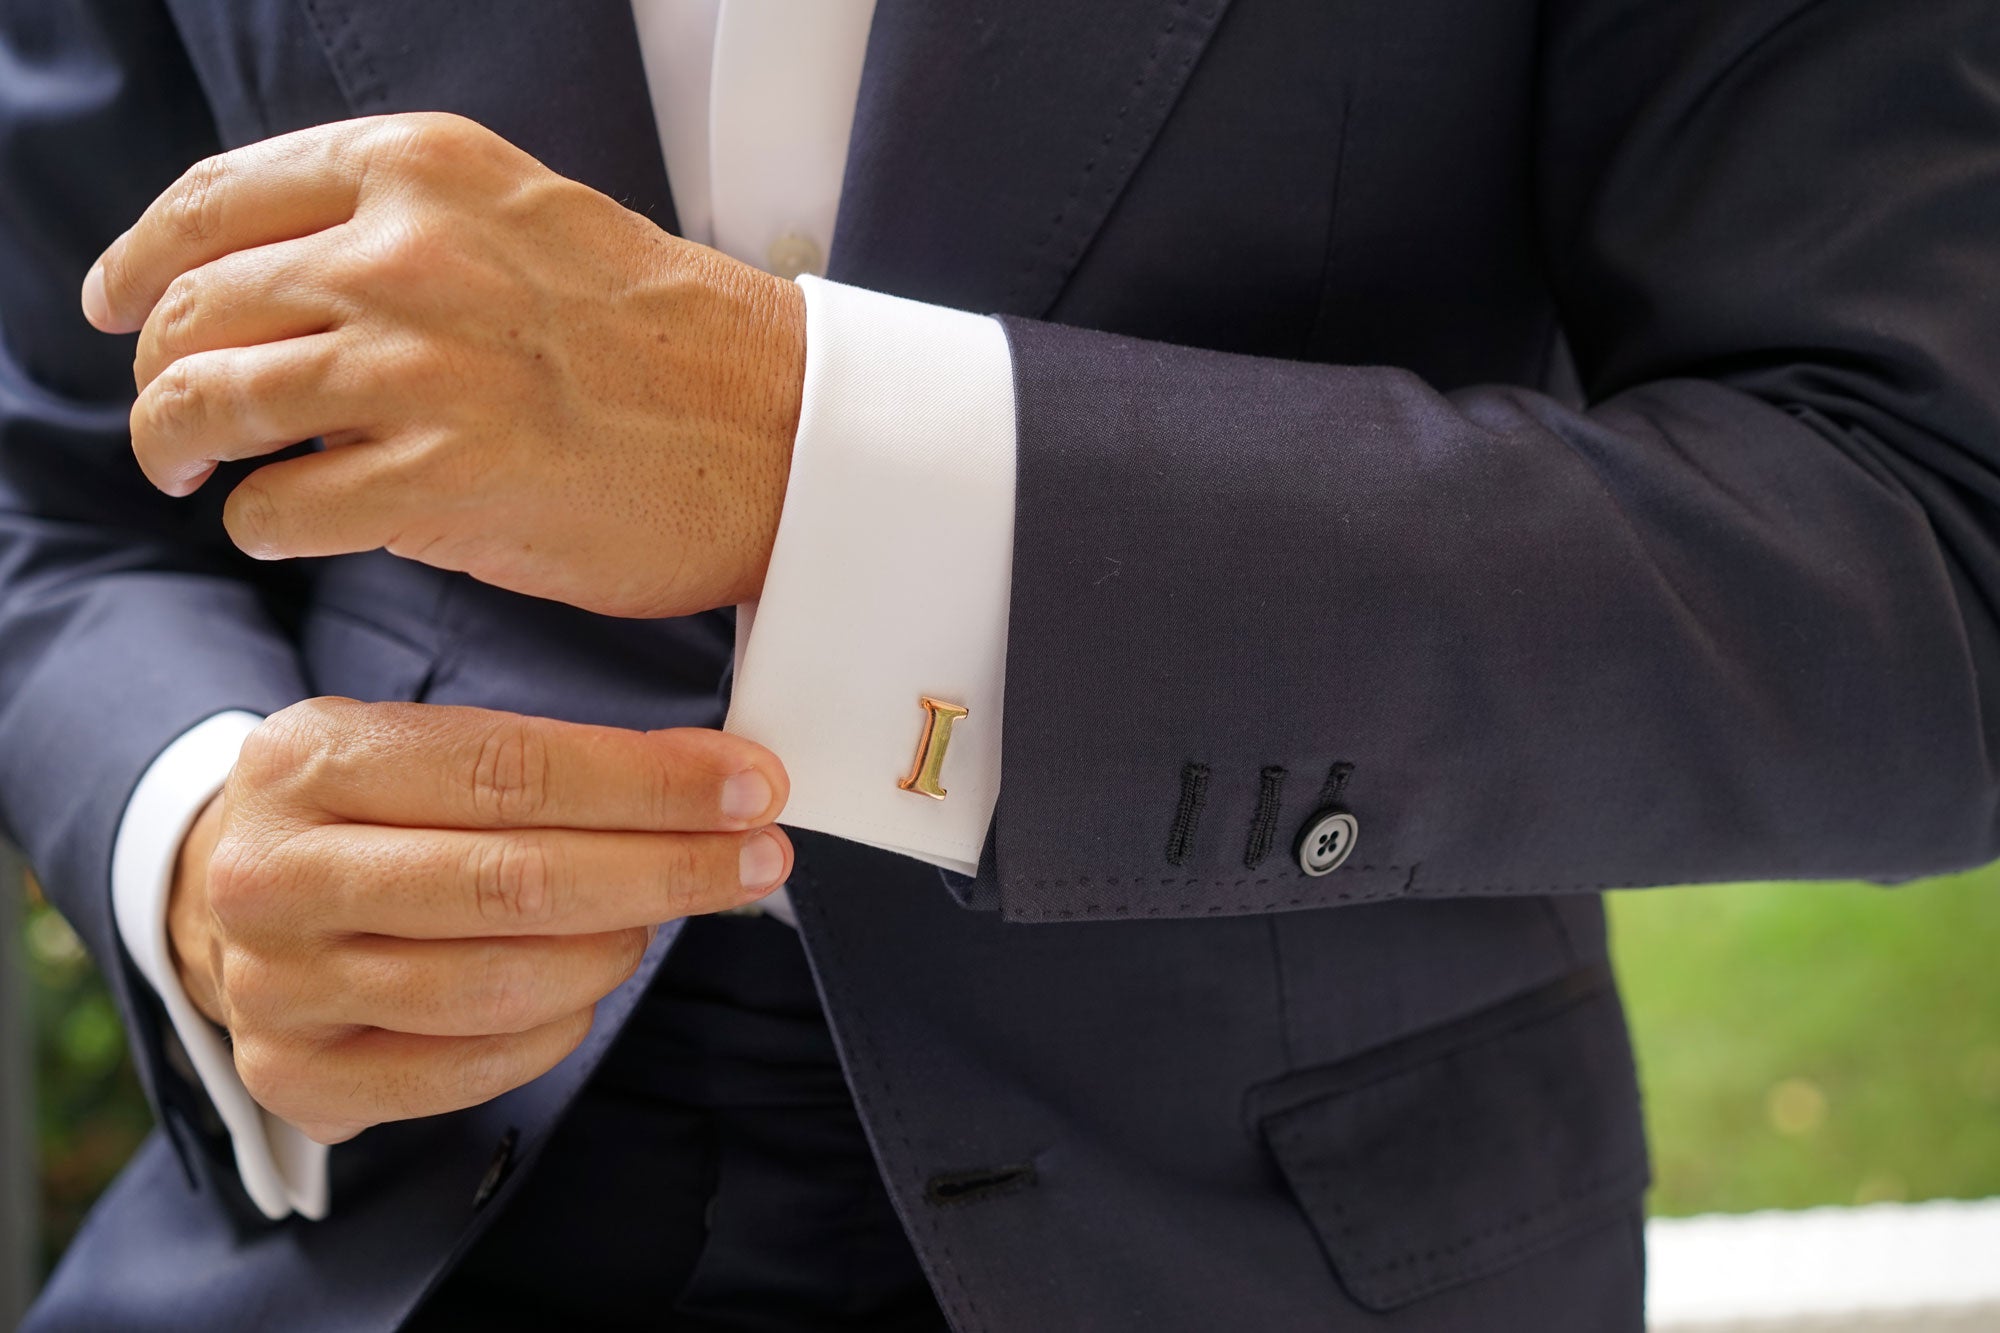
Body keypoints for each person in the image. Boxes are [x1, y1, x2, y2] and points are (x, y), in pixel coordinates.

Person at [4, 0, 1997, 1328]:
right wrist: (185, 832)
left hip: (1283, 1236)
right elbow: (50, 467)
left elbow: (1924, 553)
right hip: (364, 1234)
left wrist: (820, 452)